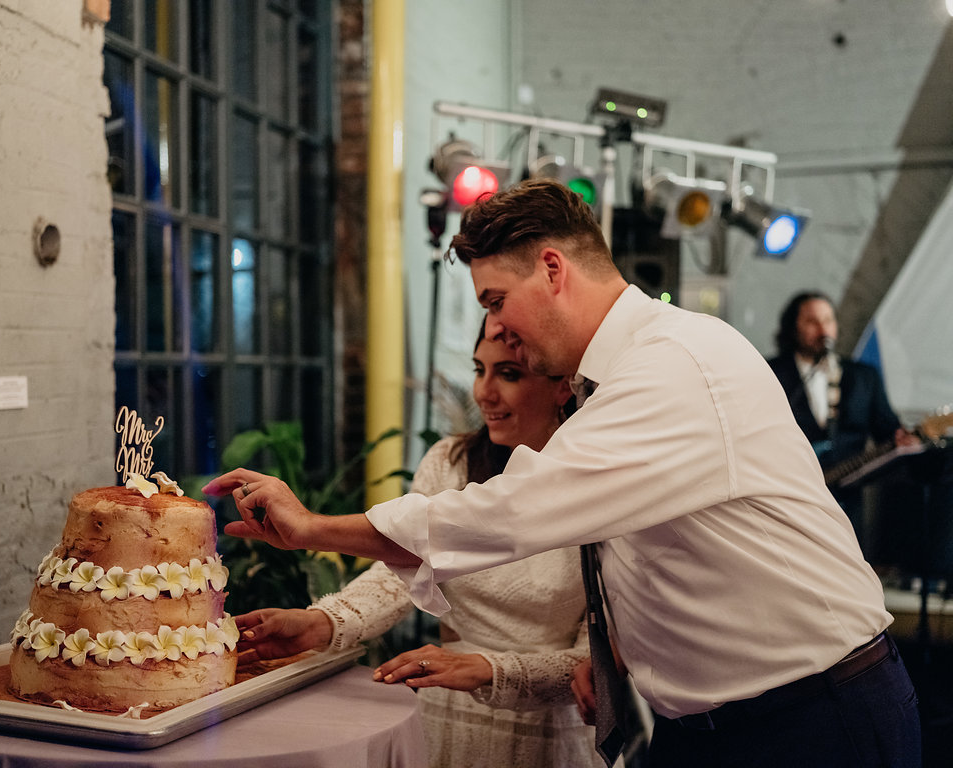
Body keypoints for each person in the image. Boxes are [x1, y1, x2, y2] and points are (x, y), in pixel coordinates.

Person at [204, 179, 921, 768]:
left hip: (810, 721)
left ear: (552, 270)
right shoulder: (603, 383)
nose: (499, 331)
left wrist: (314, 529)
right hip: (699, 728)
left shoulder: (672, 364)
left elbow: (515, 513)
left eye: (496, 302)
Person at [223, 325, 606, 768]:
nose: (484, 393)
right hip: (443, 715)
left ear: (563, 386)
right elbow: (402, 570)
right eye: (480, 370)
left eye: (509, 374)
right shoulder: (450, 462)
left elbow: (594, 662)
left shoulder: (593, 486)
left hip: (552, 736)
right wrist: (322, 623)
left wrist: (489, 668)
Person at [766, 291, 918, 554]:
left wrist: (904, 439)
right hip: (789, 503)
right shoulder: (770, 372)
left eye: (828, 320)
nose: (823, 328)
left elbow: (887, 430)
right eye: (812, 321)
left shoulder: (863, 377)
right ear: (792, 328)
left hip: (846, 505)